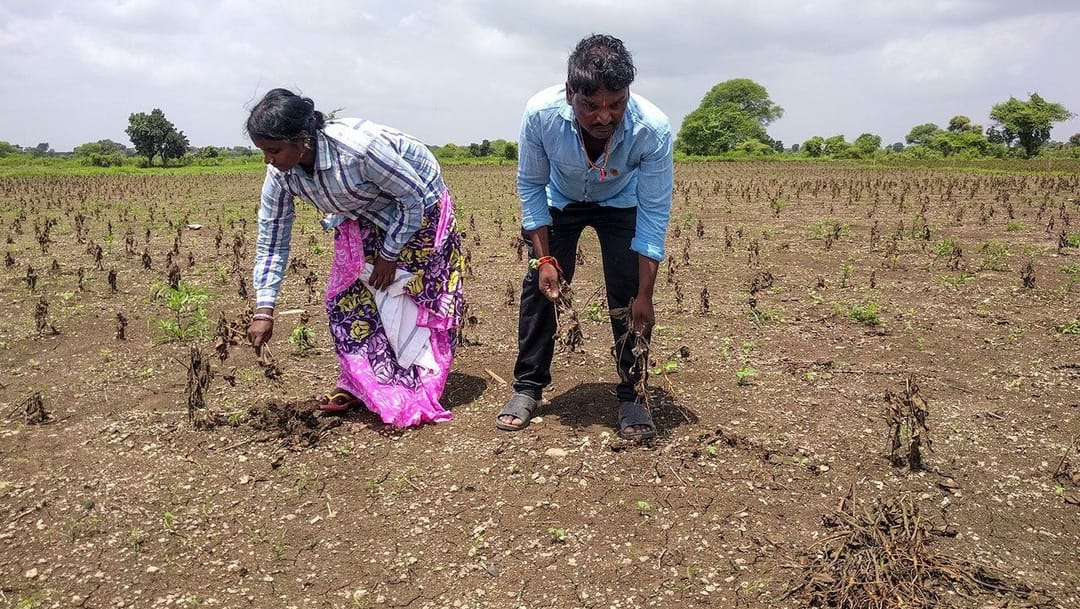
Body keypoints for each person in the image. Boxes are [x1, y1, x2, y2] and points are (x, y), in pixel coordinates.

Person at [245, 88, 464, 428]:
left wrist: (389, 255)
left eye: (274, 150)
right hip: (360, 209)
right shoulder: (281, 175)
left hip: (420, 205)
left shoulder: (358, 151)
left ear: (302, 139)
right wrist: (264, 309)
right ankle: (362, 383)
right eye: (264, 151)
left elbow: (413, 200)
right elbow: (272, 239)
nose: (268, 160)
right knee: (346, 297)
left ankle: (419, 380)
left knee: (411, 295)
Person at [495, 34, 674, 440]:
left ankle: (633, 394)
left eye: (616, 104)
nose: (605, 116)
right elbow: (531, 186)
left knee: (629, 294)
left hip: (621, 202)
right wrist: (543, 260)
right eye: (591, 105)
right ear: (569, 92)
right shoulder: (541, 114)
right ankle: (528, 387)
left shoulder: (652, 129)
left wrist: (645, 293)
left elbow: (654, 212)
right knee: (541, 288)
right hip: (561, 200)